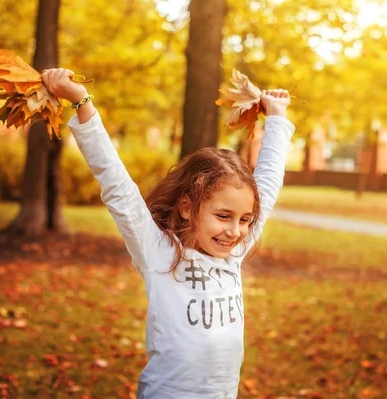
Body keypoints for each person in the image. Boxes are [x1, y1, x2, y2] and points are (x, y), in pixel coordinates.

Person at [41, 68, 295, 399]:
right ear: (188, 208)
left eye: (246, 219)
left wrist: (276, 119)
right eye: (223, 216)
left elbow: (269, 182)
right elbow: (116, 184)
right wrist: (81, 99)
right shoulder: (158, 250)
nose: (235, 231)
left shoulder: (233, 253)